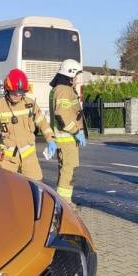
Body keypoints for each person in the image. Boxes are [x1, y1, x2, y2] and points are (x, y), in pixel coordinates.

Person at [50, 59, 87, 206]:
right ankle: (65, 203)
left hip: (66, 139)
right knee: (68, 171)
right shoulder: (64, 90)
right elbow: (62, 114)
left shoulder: (61, 89)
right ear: (70, 74)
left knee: (66, 171)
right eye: (76, 75)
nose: (77, 79)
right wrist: (76, 131)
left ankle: (63, 202)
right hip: (67, 139)